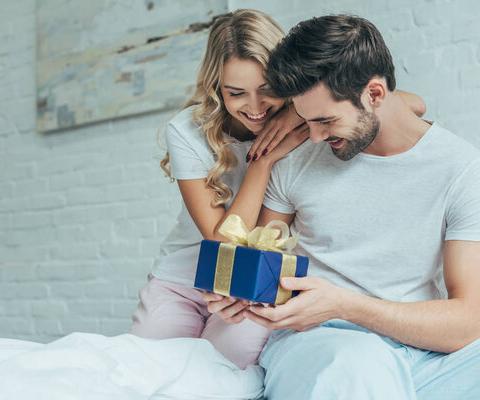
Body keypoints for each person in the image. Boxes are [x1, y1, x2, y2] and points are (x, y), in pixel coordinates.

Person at [224, 14, 480, 399]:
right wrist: (236, 294)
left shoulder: (465, 171)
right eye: (305, 121)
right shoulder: (297, 160)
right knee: (358, 366)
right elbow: (266, 267)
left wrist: (346, 304)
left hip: (425, 352)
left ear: (374, 94)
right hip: (325, 346)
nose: (315, 136)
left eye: (325, 121)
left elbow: (470, 321)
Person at [130, 9, 426, 370]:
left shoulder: (309, 119)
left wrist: (296, 113)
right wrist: (263, 161)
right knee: (148, 369)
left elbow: (411, 104)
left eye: (267, 90)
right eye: (236, 93)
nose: (255, 108)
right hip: (184, 278)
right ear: (216, 88)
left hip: (257, 280)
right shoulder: (188, 131)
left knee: (225, 371)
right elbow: (224, 244)